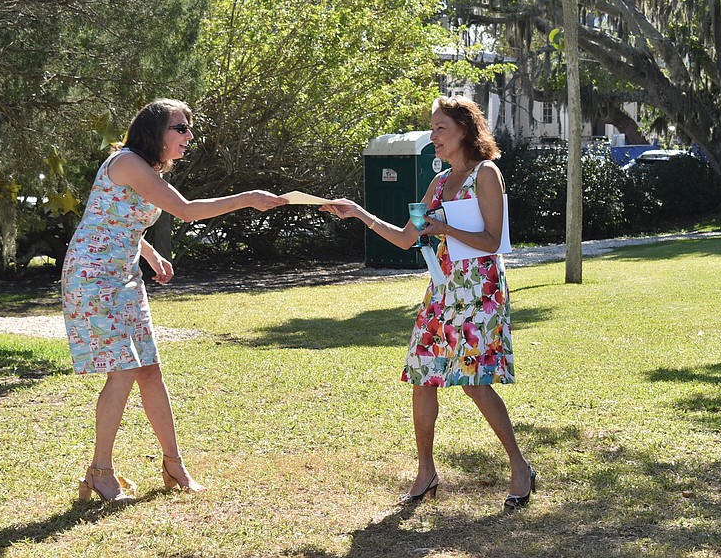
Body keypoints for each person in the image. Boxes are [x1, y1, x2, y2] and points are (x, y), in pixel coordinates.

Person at [62, 98, 287, 503]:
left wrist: (148, 253)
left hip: (124, 275)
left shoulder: (145, 170)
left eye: (188, 128)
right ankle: (99, 473)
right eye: (179, 128)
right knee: (124, 371)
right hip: (94, 277)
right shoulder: (128, 162)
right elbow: (185, 212)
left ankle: (173, 465)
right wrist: (247, 197)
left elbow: (117, 217)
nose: (189, 136)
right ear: (155, 132)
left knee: (149, 371)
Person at [321, 96, 535, 512]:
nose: (433, 136)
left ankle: (520, 466)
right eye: (432, 129)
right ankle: (426, 472)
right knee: (422, 376)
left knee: (474, 381)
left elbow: (493, 241)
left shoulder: (486, 174)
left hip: (479, 288)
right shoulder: (438, 184)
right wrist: (359, 213)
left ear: (464, 131)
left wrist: (444, 226)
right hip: (442, 288)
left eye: (441, 129)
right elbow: (406, 238)